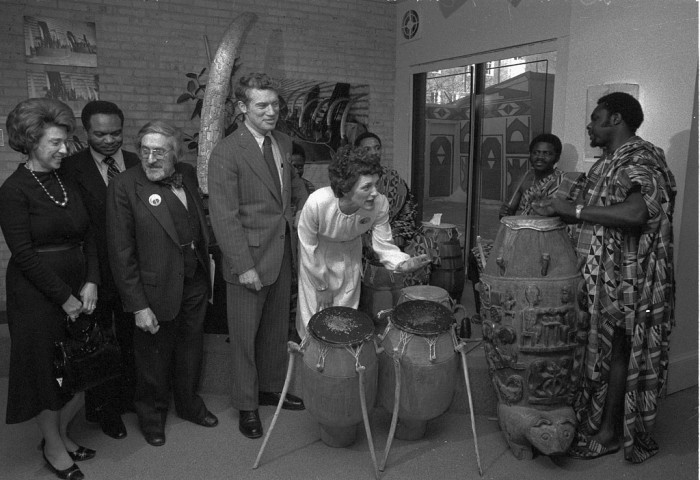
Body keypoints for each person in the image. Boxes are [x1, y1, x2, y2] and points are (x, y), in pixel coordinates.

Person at [532, 92, 676, 463]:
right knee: (602, 348)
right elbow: (592, 210)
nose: (589, 125)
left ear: (615, 119)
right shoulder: (606, 164)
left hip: (629, 274)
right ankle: (595, 420)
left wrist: (574, 209)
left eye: (595, 118)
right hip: (600, 276)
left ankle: (611, 432)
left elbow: (635, 212)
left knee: (619, 349)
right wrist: (556, 209)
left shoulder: (641, 158)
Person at [0, 98, 99, 480]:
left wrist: (91, 280)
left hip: (78, 284)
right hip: (35, 295)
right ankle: (54, 447)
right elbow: (24, 255)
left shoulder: (66, 179)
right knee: (46, 372)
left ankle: (57, 434)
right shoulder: (13, 190)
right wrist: (65, 298)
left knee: (75, 366)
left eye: (65, 141)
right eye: (55, 143)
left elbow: (89, 234)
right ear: (29, 141)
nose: (64, 150)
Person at [208, 73, 309, 440]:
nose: (271, 112)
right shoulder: (227, 152)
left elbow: (295, 188)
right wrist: (243, 266)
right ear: (242, 108)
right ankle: (247, 405)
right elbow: (224, 216)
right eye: (261, 105)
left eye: (275, 104)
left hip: (281, 254)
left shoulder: (282, 141)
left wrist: (305, 209)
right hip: (247, 260)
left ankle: (269, 388)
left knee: (272, 332)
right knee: (245, 337)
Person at [106, 121, 218, 447]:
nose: (152, 158)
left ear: (175, 152)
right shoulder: (125, 186)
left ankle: (188, 404)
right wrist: (138, 305)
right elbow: (120, 252)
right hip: (153, 289)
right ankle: (152, 416)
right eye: (145, 151)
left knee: (190, 349)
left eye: (160, 151)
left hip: (194, 282)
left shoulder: (186, 173)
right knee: (152, 358)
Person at [62, 100, 139, 440]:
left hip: (135, 269)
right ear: (86, 132)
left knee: (131, 336)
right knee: (99, 341)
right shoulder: (71, 167)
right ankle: (104, 410)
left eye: (116, 133)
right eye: (100, 134)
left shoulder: (136, 162)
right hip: (95, 271)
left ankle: (130, 399)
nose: (109, 140)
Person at [296, 146, 431, 334]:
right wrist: (321, 286)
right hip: (317, 262)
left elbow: (383, 244)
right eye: (367, 187)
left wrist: (403, 263)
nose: (375, 192)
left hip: (350, 258)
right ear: (345, 187)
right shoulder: (318, 203)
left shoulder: (380, 204)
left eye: (376, 184)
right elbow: (308, 247)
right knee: (315, 324)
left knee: (345, 323)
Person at [354, 132, 419, 250]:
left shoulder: (393, 178)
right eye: (367, 149)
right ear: (357, 152)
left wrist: (398, 233)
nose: (374, 152)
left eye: (377, 148)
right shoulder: (350, 180)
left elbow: (408, 212)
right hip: (357, 238)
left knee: (423, 245)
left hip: (390, 234)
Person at [499, 133, 566, 217]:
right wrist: (504, 213)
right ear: (530, 155)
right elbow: (508, 212)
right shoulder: (523, 179)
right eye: (536, 153)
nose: (540, 157)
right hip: (524, 228)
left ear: (557, 157)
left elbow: (570, 216)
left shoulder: (564, 181)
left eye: (546, 153)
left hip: (553, 229)